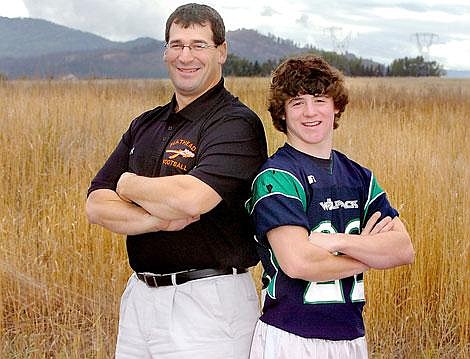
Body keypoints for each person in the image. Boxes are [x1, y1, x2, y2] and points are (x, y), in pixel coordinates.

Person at [86, 3, 267, 358]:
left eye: (198, 45)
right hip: (140, 296)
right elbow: (95, 205)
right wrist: (156, 219)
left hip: (208, 302)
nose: (186, 56)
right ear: (166, 51)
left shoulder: (235, 124)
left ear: (222, 52)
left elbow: (191, 199)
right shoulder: (145, 124)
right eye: (176, 44)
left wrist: (126, 184)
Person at [245, 55, 415, 358]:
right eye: (297, 102)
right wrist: (370, 254)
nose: (310, 112)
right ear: (282, 113)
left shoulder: (359, 176)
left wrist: (337, 241)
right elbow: (299, 263)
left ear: (336, 105)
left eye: (320, 99)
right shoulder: (277, 177)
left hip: (351, 337)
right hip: (291, 337)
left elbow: (403, 249)